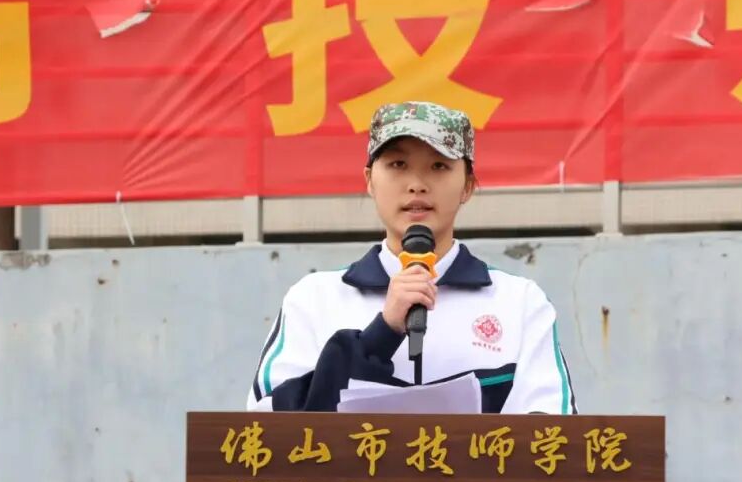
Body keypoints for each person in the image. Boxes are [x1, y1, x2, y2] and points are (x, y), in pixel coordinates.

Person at [247, 101, 577, 414]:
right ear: (369, 181)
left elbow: (551, 433)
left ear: (467, 186)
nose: (417, 185)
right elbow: (265, 429)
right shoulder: (314, 300)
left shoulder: (519, 303)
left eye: (438, 166)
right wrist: (380, 335)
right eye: (398, 165)